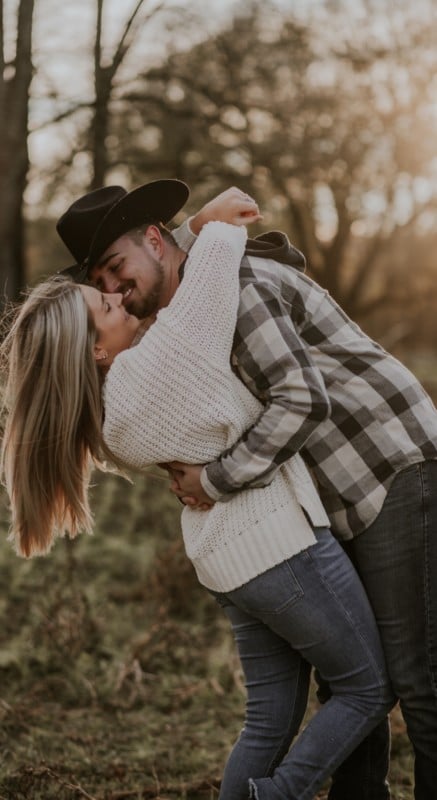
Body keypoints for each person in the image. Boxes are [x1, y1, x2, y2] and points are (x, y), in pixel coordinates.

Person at [0, 185, 394, 800]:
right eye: (102, 305)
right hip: (279, 548)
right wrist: (207, 222)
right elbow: (209, 282)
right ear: (97, 351)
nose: (115, 297)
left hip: (228, 563)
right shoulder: (148, 369)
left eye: (105, 286)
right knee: (367, 687)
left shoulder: (110, 414)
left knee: (266, 721)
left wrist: (179, 235)